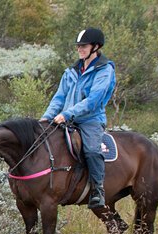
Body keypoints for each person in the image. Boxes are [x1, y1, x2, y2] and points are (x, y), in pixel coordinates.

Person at [41, 27, 116, 209]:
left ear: (96, 47)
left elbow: (92, 101)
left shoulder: (105, 71)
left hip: (90, 120)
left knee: (91, 150)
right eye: (78, 46)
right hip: (66, 119)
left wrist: (66, 114)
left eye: (84, 46)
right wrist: (45, 120)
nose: (80, 49)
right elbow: (58, 98)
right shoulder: (71, 71)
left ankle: (98, 190)